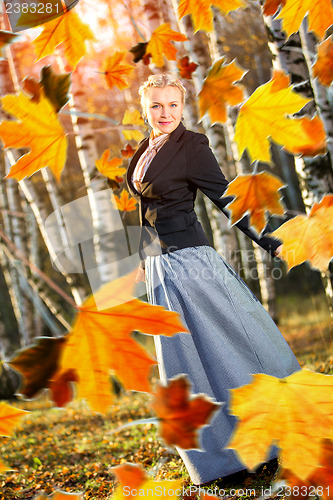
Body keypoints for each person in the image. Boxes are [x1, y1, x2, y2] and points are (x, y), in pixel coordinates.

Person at [126, 73, 301, 486]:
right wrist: (140, 259)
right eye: (156, 105)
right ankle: (222, 461)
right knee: (186, 366)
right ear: (145, 108)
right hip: (161, 267)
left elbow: (228, 198)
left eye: (172, 105)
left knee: (233, 348)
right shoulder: (145, 149)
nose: (164, 113)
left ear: (182, 106)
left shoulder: (192, 146)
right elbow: (144, 209)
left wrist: (274, 242)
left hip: (192, 263)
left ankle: (281, 432)